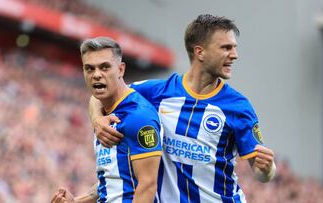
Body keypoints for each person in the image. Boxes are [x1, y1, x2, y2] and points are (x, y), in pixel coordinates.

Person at [89, 14, 276, 202]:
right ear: (200, 52)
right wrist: (97, 119)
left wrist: (267, 169)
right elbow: (103, 92)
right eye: (226, 48)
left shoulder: (238, 106)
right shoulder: (155, 92)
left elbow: (262, 174)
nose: (235, 55)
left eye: (234, 48)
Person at [51, 37, 162, 203]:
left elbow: (148, 185)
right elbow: (112, 178)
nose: (96, 75)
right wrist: (77, 201)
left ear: (121, 69)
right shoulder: (103, 116)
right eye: (89, 69)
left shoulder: (138, 116)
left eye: (104, 67)